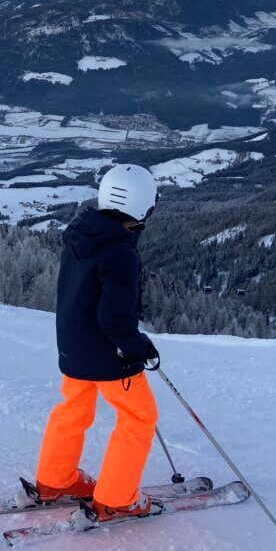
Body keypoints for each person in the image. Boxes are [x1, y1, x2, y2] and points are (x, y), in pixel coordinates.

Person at [33, 164, 163, 522]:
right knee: (139, 417)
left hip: (73, 348)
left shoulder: (81, 238)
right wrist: (138, 346)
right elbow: (115, 319)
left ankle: (55, 480)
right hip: (109, 357)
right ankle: (117, 498)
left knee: (73, 410)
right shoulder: (120, 252)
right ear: (141, 207)